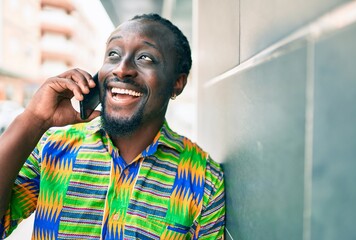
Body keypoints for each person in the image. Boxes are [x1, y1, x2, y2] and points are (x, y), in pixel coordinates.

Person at [0, 13, 225, 239]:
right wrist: (35, 119)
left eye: (145, 57)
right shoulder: (53, 149)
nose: (121, 69)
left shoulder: (205, 180)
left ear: (177, 83)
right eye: (114, 54)